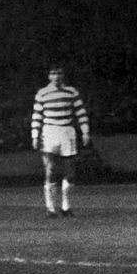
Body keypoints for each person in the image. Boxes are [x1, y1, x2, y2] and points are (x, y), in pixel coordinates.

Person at [31, 63, 90, 218]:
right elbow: (37, 116)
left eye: (59, 73)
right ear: (48, 76)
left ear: (63, 75)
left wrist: (85, 132)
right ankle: (50, 209)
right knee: (50, 170)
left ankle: (66, 206)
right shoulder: (42, 93)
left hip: (67, 132)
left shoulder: (71, 92)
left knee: (69, 171)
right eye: (53, 73)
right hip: (50, 131)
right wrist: (35, 136)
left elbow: (81, 113)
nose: (56, 76)